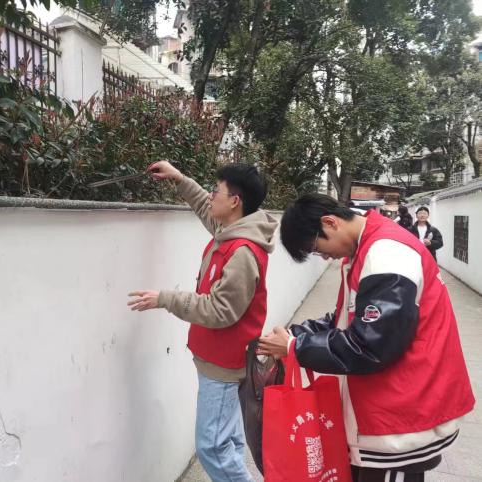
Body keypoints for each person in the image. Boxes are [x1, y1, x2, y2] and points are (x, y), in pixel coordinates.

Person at [258, 193, 474, 482]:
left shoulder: (386, 254)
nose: (325, 257)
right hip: (392, 407)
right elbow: (349, 318)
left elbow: (371, 344)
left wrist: (295, 346)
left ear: (330, 223)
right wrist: (298, 333)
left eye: (317, 248)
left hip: (401, 414)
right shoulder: (368, 246)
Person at [128, 161, 277, 482]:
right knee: (228, 441)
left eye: (216, 191)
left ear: (234, 201)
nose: (210, 196)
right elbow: (203, 207)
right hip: (219, 360)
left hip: (223, 366)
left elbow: (220, 311)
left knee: (212, 447)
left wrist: (165, 298)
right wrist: (179, 178)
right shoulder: (231, 232)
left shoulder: (242, 252)